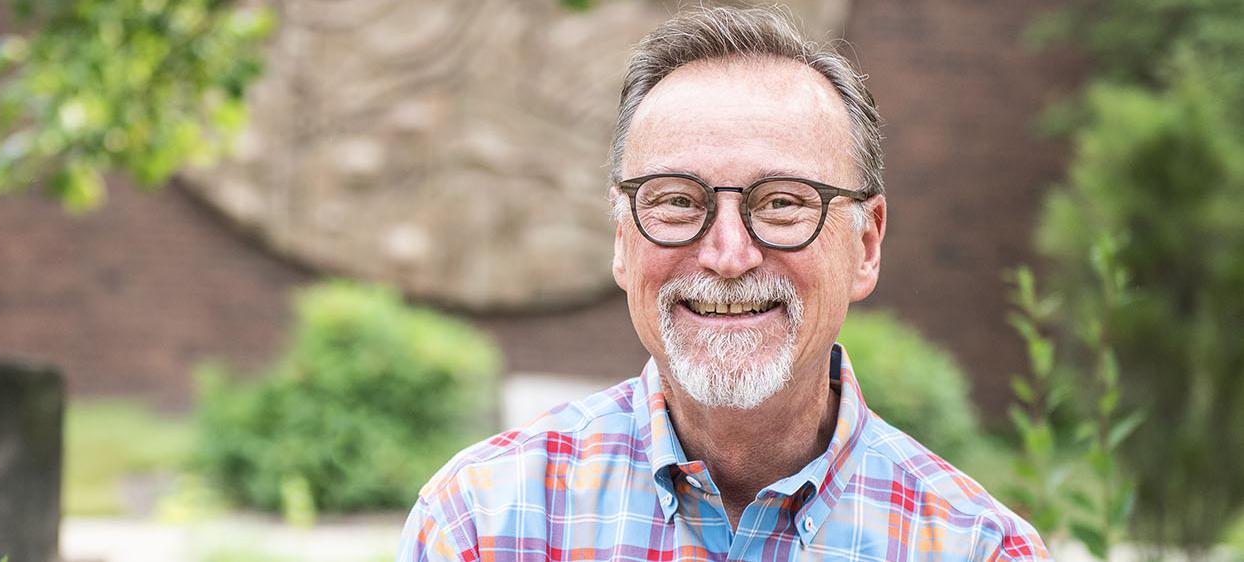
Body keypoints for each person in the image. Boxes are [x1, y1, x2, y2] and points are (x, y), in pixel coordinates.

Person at [397, 6, 1049, 561]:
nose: (729, 254)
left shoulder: (978, 549)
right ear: (622, 241)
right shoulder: (482, 526)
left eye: (783, 203)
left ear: (867, 244)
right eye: (677, 201)